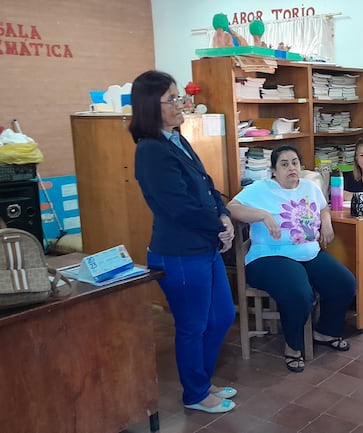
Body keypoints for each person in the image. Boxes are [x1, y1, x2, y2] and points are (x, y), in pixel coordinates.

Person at [130, 70, 237, 414]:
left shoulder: (176, 139)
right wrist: (218, 224)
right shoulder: (150, 151)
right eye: (172, 99)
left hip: (204, 246)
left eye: (180, 97)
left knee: (221, 316)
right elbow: (179, 206)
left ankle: (201, 381)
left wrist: (224, 214)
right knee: (193, 326)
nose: (181, 104)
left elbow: (206, 185)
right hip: (178, 253)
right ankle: (195, 393)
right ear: (150, 106)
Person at [227, 145, 357, 373]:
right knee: (299, 293)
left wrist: (326, 222)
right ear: (274, 171)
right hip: (270, 256)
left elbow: (324, 208)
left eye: (295, 162)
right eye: (284, 164)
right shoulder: (261, 189)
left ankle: (324, 331)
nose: (291, 168)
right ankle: (293, 347)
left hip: (308, 252)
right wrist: (263, 215)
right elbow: (232, 208)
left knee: (345, 283)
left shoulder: (309, 187)